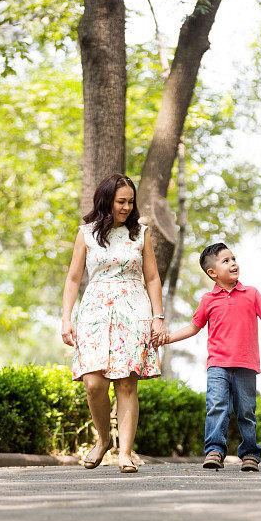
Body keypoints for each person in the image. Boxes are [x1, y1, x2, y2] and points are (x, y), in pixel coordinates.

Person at [61, 173, 167, 473]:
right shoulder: (87, 233)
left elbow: (152, 278)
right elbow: (73, 278)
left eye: (130, 202)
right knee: (93, 383)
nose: (126, 207)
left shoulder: (140, 233)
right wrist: (66, 317)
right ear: (106, 200)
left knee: (126, 383)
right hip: (94, 310)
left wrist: (158, 317)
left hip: (133, 309)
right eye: (121, 201)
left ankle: (125, 452)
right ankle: (104, 438)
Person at [164, 243, 261, 472]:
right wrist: (167, 338)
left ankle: (250, 453)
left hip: (246, 365)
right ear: (212, 273)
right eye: (226, 261)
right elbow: (193, 327)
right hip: (217, 365)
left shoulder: (251, 293)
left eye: (233, 258)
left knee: (246, 411)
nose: (233, 263)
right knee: (217, 406)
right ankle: (214, 451)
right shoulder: (208, 300)